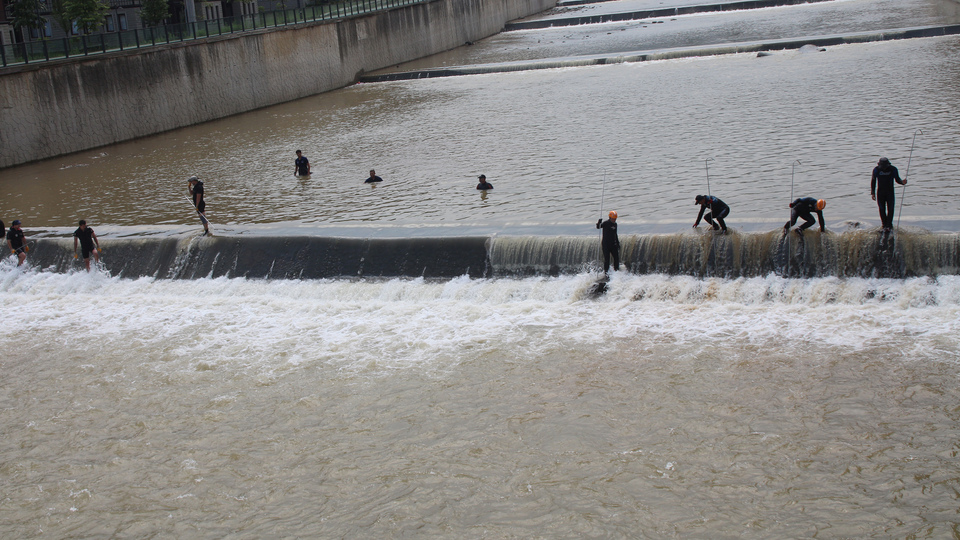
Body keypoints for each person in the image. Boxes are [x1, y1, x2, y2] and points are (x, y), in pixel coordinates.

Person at [871, 157, 906, 232]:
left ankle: (889, 225)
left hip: (890, 192)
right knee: (882, 208)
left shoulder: (893, 169)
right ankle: (884, 225)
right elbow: (873, 181)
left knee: (891, 208)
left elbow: (897, 179)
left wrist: (902, 182)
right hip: (880, 192)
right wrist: (873, 193)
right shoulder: (876, 170)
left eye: (885, 166)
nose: (884, 168)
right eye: (882, 167)